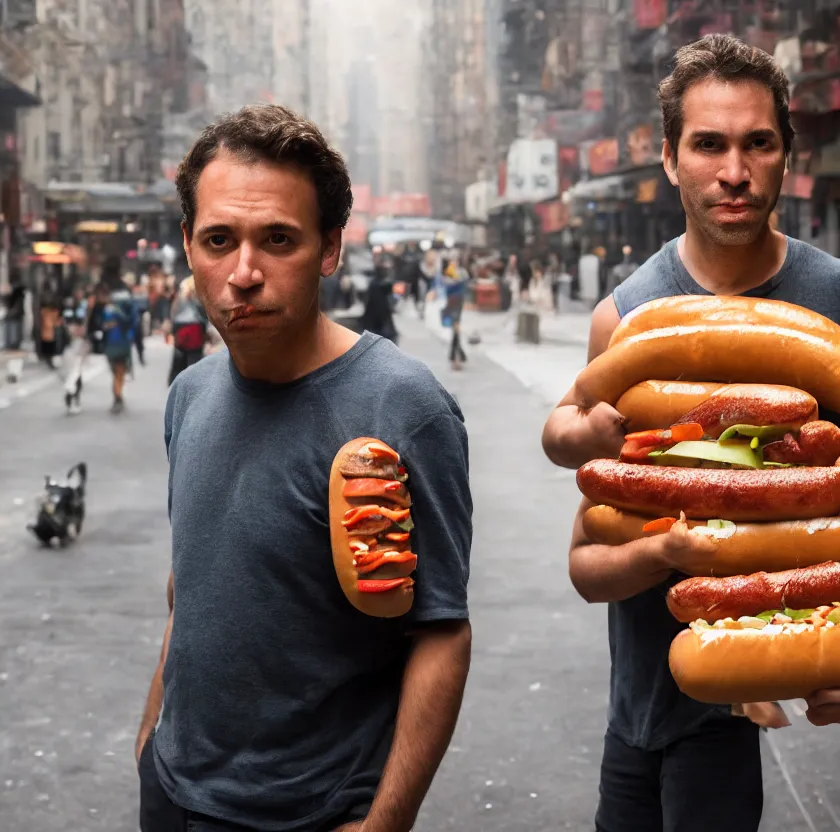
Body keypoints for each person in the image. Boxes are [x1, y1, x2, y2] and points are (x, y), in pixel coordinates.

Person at [135, 103, 473, 832]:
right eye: (219, 240)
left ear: (329, 249)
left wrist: (386, 822)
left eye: (277, 240)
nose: (244, 273)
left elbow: (441, 632)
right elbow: (186, 590)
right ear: (188, 244)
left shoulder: (403, 405)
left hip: (312, 812)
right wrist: (150, 741)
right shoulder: (188, 394)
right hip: (172, 794)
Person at [540, 34, 840, 832]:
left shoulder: (836, 304)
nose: (734, 172)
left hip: (779, 671)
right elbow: (588, 553)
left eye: (758, 144)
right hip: (641, 697)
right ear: (670, 158)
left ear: (785, 154)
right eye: (708, 144)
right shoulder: (626, 317)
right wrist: (666, 550)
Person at [100, 283, 137, 413]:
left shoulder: (108, 310)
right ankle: (118, 396)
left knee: (115, 373)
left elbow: (103, 327)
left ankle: (117, 396)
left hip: (110, 345)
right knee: (120, 372)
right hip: (122, 344)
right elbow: (133, 327)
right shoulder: (128, 311)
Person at [166, 276, 209, 386]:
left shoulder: (180, 299)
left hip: (182, 329)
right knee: (194, 358)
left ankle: (176, 383)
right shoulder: (199, 299)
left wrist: (172, 330)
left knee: (180, 358)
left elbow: (173, 314)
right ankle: (192, 383)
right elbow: (204, 316)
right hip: (195, 329)